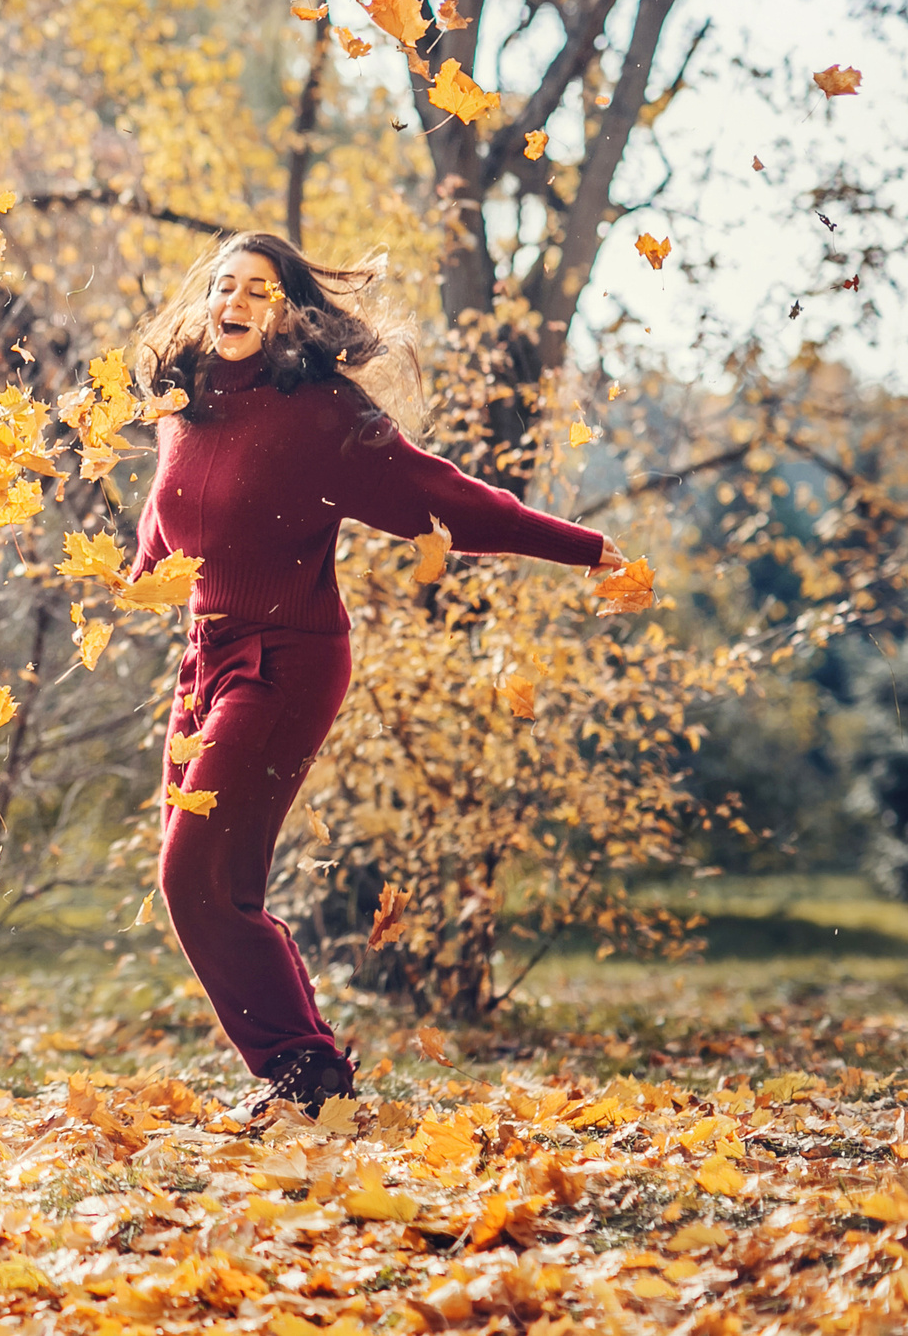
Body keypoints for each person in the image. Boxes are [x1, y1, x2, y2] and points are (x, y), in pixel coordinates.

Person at [130, 231, 628, 1114]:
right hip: (202, 659)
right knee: (211, 888)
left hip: (286, 659)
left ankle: (307, 1075)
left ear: (287, 312)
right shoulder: (187, 402)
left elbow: (451, 498)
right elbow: (170, 516)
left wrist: (584, 549)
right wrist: (134, 577)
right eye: (225, 286)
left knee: (195, 874)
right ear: (207, 300)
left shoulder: (323, 415)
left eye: (259, 290)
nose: (237, 302)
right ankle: (308, 1079)